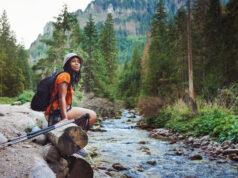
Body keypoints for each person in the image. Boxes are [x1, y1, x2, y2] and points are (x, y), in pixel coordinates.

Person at [44, 53, 97, 156]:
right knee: (92, 115)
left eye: (78, 62)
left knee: (87, 116)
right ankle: (78, 144)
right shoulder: (65, 76)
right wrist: (64, 118)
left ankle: (74, 142)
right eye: (73, 61)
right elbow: (61, 98)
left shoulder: (68, 76)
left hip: (58, 112)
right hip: (57, 114)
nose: (77, 64)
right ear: (67, 64)